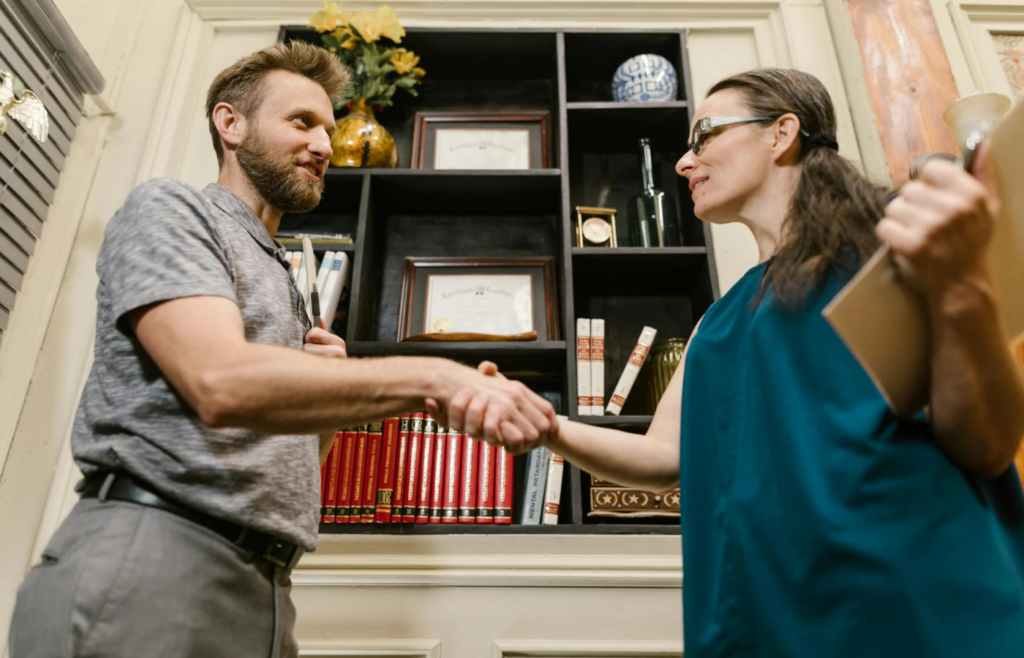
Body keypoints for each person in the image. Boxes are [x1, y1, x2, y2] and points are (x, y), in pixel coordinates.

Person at [8, 41, 556, 658]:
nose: (326, 146)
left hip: (265, 582)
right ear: (230, 123)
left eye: (329, 128)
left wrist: (329, 396)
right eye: (303, 122)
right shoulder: (172, 209)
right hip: (154, 557)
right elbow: (220, 383)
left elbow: (288, 453)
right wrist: (438, 376)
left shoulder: (287, 277)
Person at [460, 68, 1024, 656]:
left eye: (703, 135)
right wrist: (548, 427)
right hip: (764, 612)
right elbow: (662, 457)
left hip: (904, 599)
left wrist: (962, 292)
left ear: (782, 133)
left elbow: (985, 442)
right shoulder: (717, 321)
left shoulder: (897, 248)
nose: (684, 163)